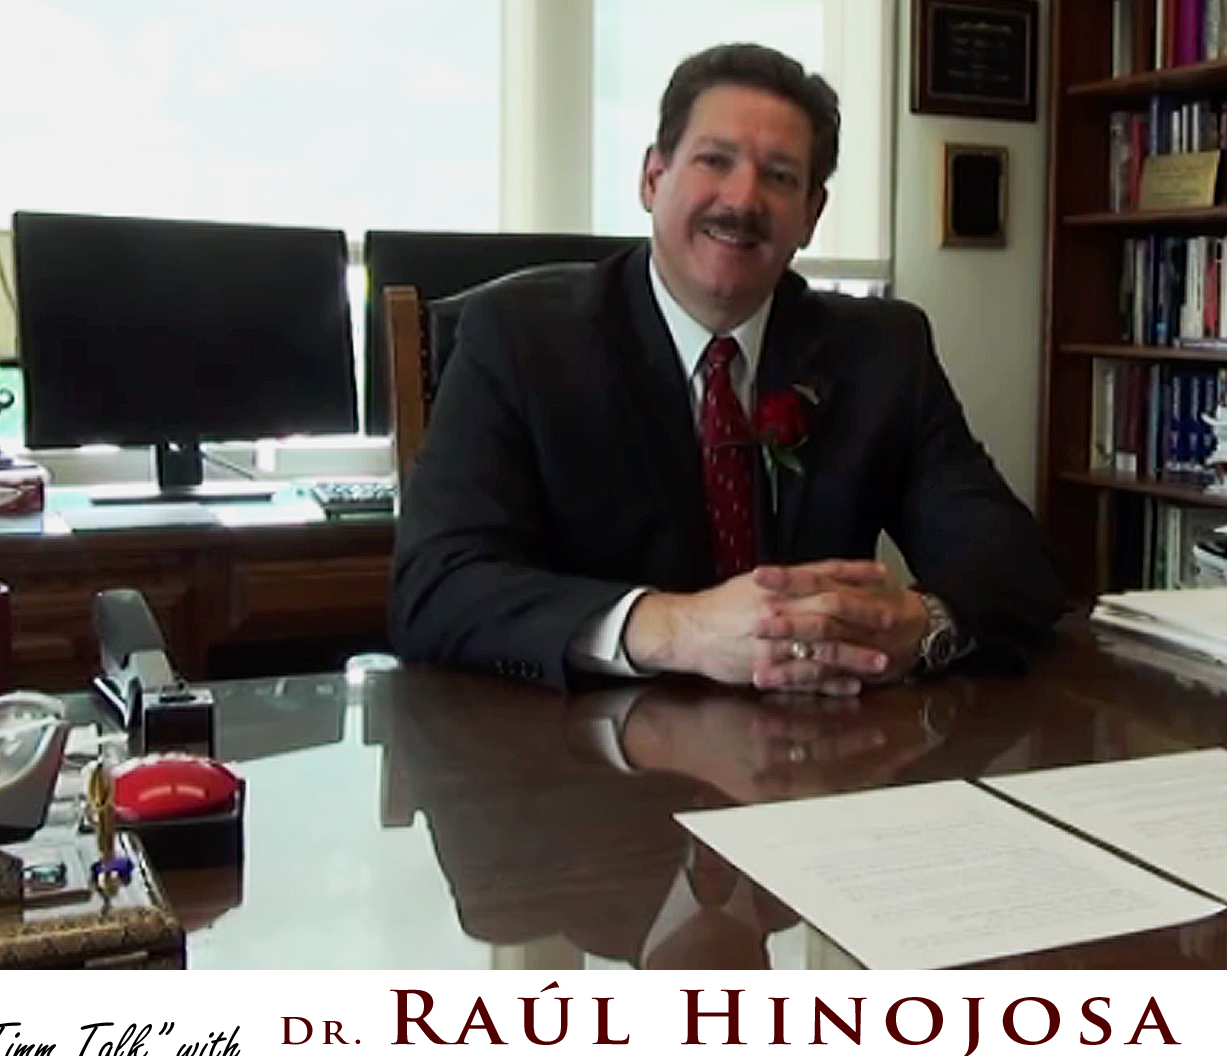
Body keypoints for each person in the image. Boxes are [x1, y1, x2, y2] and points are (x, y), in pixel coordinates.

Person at [389, 42, 1064, 693]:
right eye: (714, 160)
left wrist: (918, 625)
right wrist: (678, 629)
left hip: (816, 757)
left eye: (779, 176)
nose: (742, 200)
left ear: (811, 213)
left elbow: (1014, 566)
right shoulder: (518, 338)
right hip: (583, 765)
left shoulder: (883, 351)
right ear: (653, 178)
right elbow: (437, 589)